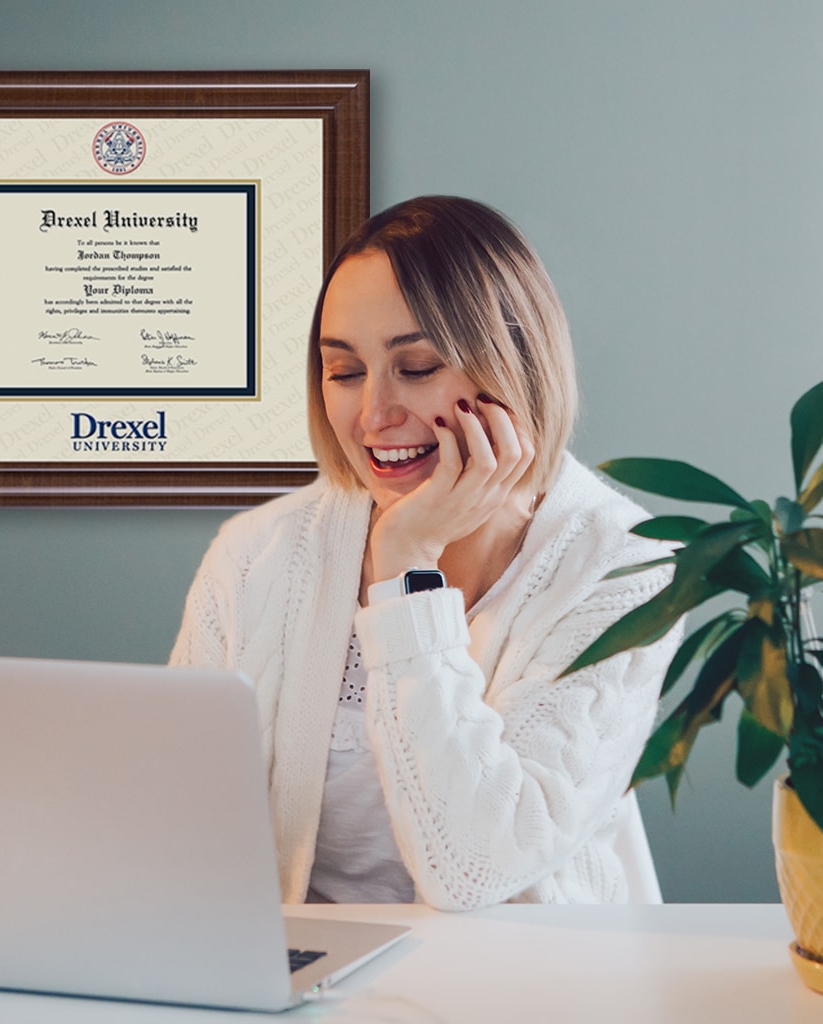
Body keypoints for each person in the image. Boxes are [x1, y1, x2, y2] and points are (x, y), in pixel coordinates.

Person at [170, 196, 682, 910]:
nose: (374, 413)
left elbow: (475, 870)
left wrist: (407, 569)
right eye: (345, 373)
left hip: (528, 989)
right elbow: (173, 833)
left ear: (515, 366)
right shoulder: (257, 557)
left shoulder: (622, 568)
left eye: (415, 366)